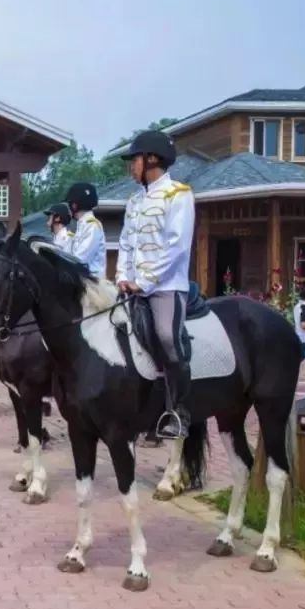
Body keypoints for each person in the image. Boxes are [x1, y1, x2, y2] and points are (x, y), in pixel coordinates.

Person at [118, 130, 195, 439]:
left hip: (166, 287)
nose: (131, 167)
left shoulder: (179, 194)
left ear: (152, 159)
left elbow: (177, 248)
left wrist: (144, 283)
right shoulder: (134, 201)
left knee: (166, 336)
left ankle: (179, 411)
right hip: (132, 286)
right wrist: (122, 277)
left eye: (134, 160)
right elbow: (125, 244)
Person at [66, 182, 107, 279]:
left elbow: (80, 260)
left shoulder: (92, 226)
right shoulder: (83, 225)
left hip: (93, 283)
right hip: (84, 281)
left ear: (74, 205)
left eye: (69, 204)